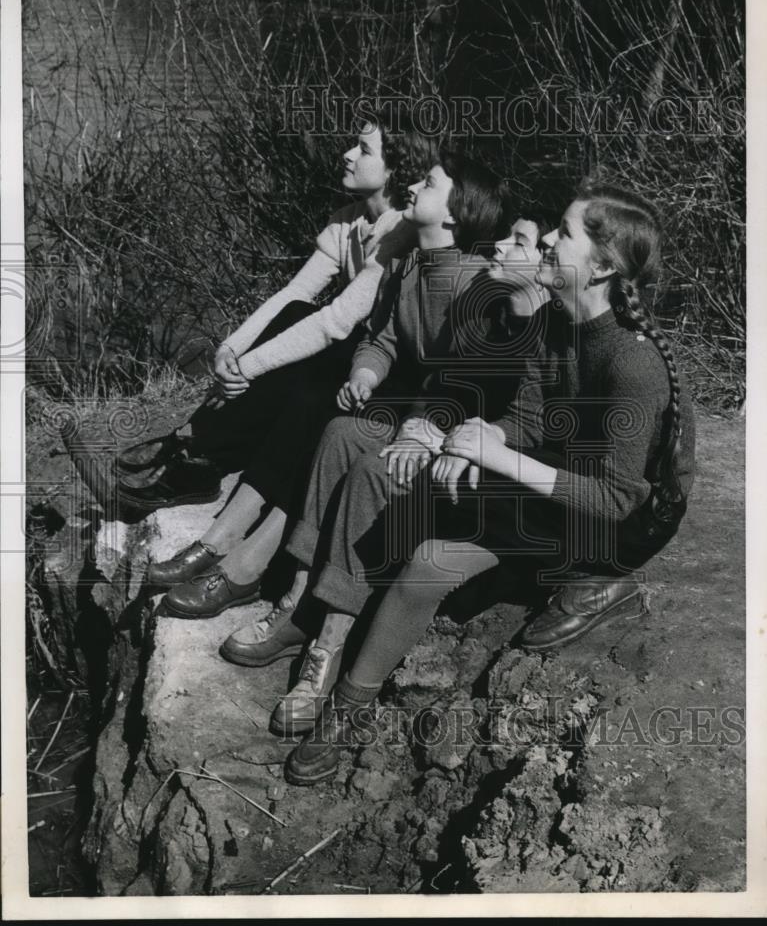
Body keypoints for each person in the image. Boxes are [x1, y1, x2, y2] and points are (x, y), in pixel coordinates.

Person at [280, 181, 696, 786]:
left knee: (428, 560)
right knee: (410, 493)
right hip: (558, 482)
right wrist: (483, 434)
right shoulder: (557, 320)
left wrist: (496, 460)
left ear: (602, 266)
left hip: (617, 527)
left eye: (565, 233)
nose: (549, 239)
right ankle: (346, 707)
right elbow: (528, 417)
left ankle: (603, 582)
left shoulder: (632, 362)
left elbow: (616, 498)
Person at [218, 150, 526, 737]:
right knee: (338, 435)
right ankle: (296, 607)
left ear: (457, 214)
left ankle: (326, 650)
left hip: (457, 429)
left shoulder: (473, 287)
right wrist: (365, 372)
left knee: (372, 472)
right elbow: (381, 340)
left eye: (429, 182)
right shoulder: (410, 266)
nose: (412, 184)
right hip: (409, 410)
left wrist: (419, 430)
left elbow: (472, 385)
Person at [135, 112, 431, 620]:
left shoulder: (401, 230)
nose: (347, 155)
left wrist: (249, 367)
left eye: (363, 149)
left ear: (398, 168)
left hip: (391, 373)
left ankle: (219, 516)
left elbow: (340, 320)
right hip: (356, 356)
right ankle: (200, 450)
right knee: (296, 318)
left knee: (312, 388)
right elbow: (297, 294)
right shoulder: (349, 219)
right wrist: (231, 349)